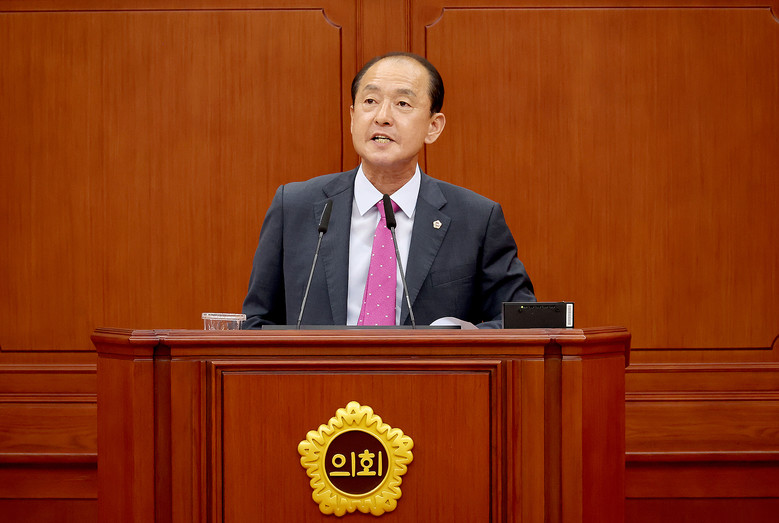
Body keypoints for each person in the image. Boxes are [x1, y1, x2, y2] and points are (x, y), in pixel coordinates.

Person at [242, 52, 535, 329]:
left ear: (433, 126)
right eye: (370, 101)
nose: (382, 116)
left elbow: (522, 320)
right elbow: (256, 322)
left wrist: (456, 342)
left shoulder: (475, 219)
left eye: (402, 104)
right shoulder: (294, 207)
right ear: (352, 117)